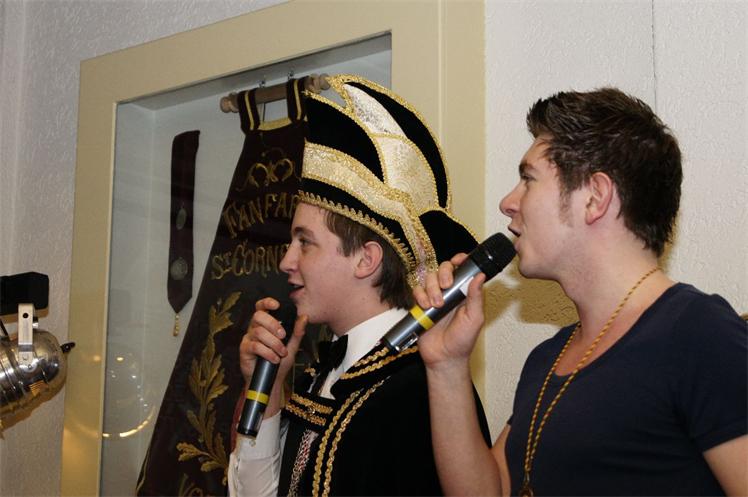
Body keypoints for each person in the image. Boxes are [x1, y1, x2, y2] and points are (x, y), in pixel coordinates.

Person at [416, 88, 747, 496]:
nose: (507, 202)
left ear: (595, 198)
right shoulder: (548, 358)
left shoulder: (699, 335)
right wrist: (446, 365)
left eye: (528, 179)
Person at [227, 74, 491, 497]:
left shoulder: (421, 388)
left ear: (366, 260)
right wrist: (270, 389)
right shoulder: (321, 372)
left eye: (305, 243)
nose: (286, 261)